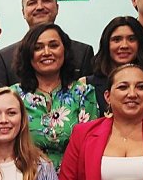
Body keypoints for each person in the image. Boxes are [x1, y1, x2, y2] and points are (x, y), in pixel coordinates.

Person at [10, 23, 99, 170]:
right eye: (38, 48)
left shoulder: (84, 92)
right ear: (28, 54)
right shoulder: (13, 96)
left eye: (53, 45)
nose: (46, 52)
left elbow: (91, 147)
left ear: (65, 50)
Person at [0, 0, 95, 85]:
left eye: (46, 1)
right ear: (23, 12)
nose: (39, 7)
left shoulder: (83, 52)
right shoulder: (4, 57)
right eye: (32, 3)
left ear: (57, 8)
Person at [86, 16, 143, 118]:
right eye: (117, 40)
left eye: (131, 39)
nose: (124, 45)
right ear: (106, 44)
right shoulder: (85, 86)